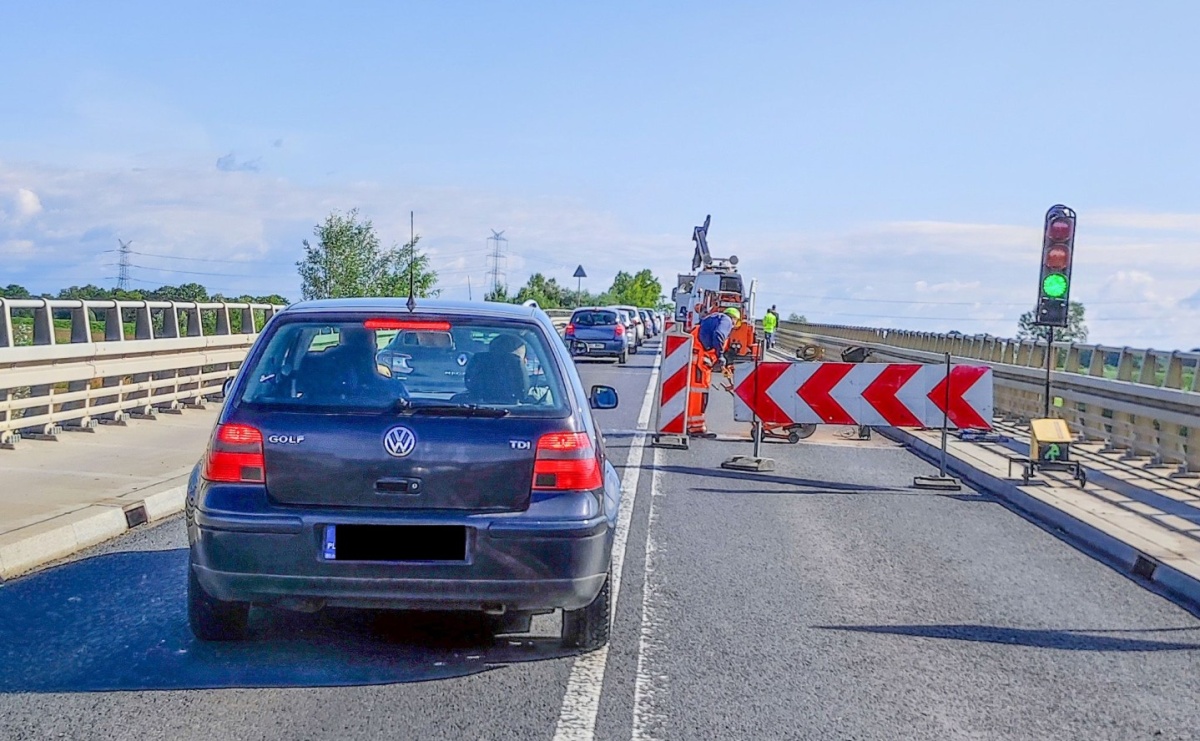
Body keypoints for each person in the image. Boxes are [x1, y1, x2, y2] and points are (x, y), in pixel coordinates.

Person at [686, 307, 739, 437]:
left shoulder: (714, 318)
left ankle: (691, 425)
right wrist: (720, 355)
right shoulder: (726, 320)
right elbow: (719, 335)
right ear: (734, 319)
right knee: (699, 394)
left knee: (694, 394)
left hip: (696, 358)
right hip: (699, 361)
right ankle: (695, 428)